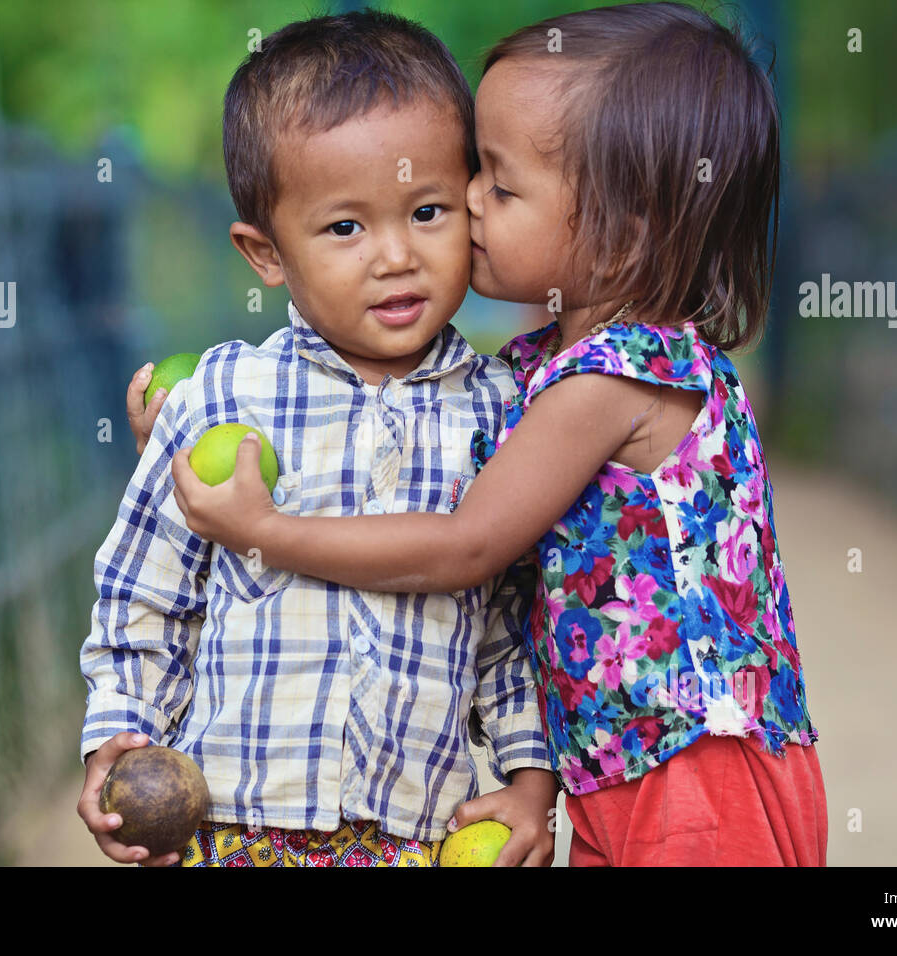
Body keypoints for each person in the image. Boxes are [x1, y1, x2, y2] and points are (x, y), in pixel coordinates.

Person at [171, 3, 828, 867]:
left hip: (696, 772)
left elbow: (466, 546)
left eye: (499, 183)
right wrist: (193, 425)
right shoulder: (548, 366)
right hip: (618, 768)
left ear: (621, 232)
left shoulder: (617, 375)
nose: (467, 198)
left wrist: (264, 533)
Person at [77, 9, 557, 868]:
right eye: (345, 228)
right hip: (230, 825)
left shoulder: (505, 410)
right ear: (265, 253)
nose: (396, 255)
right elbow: (147, 592)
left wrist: (529, 775)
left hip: (418, 833)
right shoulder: (224, 399)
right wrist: (118, 733)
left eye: (428, 210)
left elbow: (513, 624)